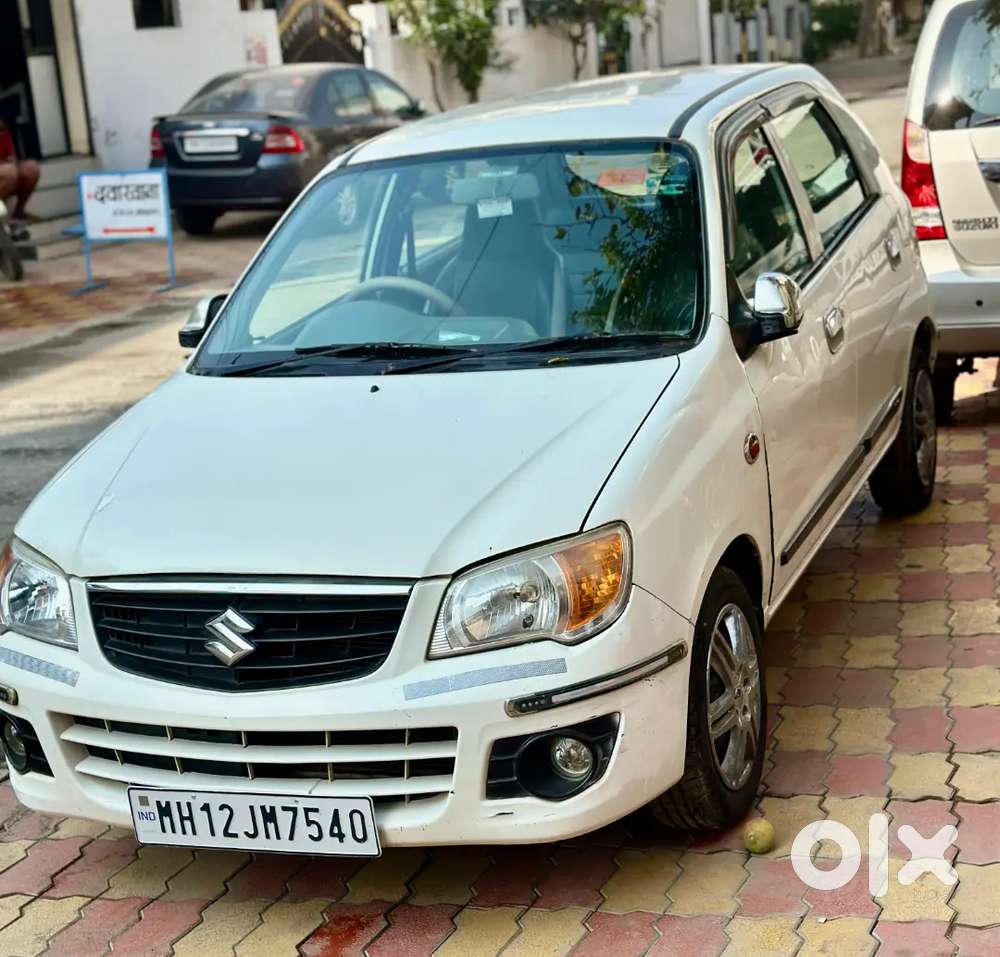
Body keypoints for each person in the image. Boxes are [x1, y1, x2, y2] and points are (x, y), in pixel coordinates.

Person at [0, 120, 40, 223]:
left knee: (32, 168)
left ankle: (18, 212)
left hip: (5, 170)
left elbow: (10, 155)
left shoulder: (2, 129)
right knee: (10, 171)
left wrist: (11, 159)